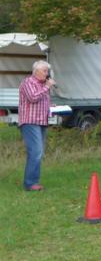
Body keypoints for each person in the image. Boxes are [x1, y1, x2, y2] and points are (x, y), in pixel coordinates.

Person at [18, 60, 55, 191]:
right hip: (30, 122)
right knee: (36, 151)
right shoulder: (28, 82)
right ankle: (30, 183)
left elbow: (41, 102)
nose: (47, 73)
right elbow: (32, 98)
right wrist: (47, 86)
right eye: (44, 71)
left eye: (47, 71)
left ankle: (33, 181)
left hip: (41, 122)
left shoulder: (43, 85)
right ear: (36, 71)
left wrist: (51, 106)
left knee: (37, 152)